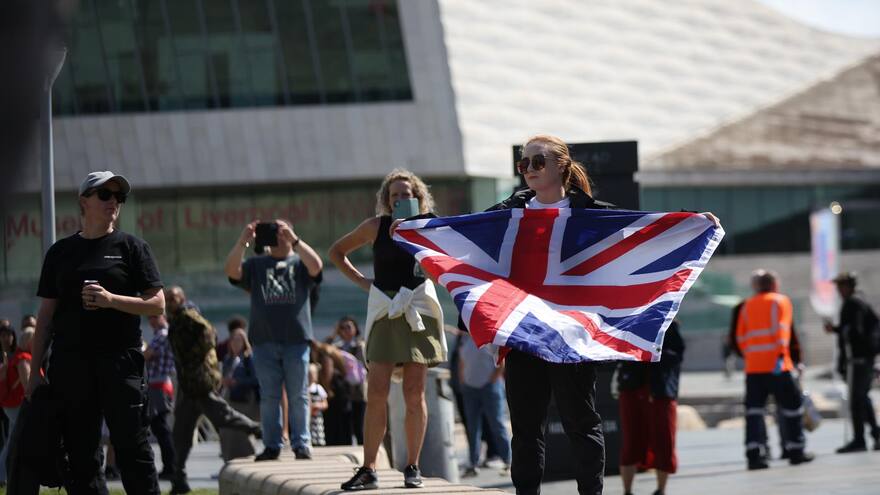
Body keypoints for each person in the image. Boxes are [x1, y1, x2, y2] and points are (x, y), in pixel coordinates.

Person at [26, 171, 165, 494]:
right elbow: (45, 318)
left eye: (118, 197)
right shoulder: (60, 253)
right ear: (83, 202)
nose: (113, 201)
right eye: (104, 195)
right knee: (81, 454)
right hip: (71, 365)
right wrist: (34, 372)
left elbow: (157, 304)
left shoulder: (132, 248)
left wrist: (111, 300)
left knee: (133, 448)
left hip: (120, 363)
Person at [329, 169, 447, 491]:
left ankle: (412, 465)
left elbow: (452, 260)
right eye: (394, 195)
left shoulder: (430, 226)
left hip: (418, 309)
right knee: (377, 388)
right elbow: (336, 252)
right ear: (386, 199)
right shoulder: (375, 226)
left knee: (414, 391)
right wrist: (365, 285)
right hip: (385, 309)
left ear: (417, 197)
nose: (399, 199)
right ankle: (368, 469)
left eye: (405, 194)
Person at [225, 219, 323, 461]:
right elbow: (232, 271)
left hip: (296, 340)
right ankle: (272, 445)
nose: (277, 236)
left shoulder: (299, 263)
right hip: (264, 341)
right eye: (273, 232)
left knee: (299, 394)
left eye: (282, 230)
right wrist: (243, 241)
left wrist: (296, 240)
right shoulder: (256, 264)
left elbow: (317, 267)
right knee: (269, 396)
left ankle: (301, 444)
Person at [165, 286, 262, 494]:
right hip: (188, 385)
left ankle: (257, 429)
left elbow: (209, 334)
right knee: (181, 433)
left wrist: (194, 359)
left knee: (222, 416)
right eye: (167, 298)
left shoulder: (188, 316)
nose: (169, 302)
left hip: (198, 383)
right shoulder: (174, 319)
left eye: (173, 298)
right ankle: (178, 479)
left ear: (181, 299)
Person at [736, 270, 814, 470]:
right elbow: (783, 332)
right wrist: (782, 357)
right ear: (774, 285)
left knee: (754, 412)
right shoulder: (781, 301)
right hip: (778, 365)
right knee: (791, 408)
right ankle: (796, 451)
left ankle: (754, 455)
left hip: (754, 368)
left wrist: (753, 356)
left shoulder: (746, 305)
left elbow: (741, 338)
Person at [617, 321, 685, 495]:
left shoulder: (668, 323)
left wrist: (654, 352)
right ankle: (627, 490)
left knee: (664, 441)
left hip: (660, 389)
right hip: (633, 385)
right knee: (632, 440)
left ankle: (661, 489)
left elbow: (677, 354)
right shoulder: (630, 318)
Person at [824, 272, 880, 452]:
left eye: (841, 286)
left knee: (857, 400)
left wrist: (840, 330)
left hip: (858, 360)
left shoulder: (853, 303)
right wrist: (838, 329)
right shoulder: (858, 302)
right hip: (861, 358)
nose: (839, 290)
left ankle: (859, 439)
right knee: (862, 398)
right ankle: (875, 434)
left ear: (849, 286)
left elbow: (855, 331)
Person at [458, 333, 511, 477]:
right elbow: (462, 360)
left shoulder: (491, 336)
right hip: (470, 388)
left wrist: (493, 379)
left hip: (490, 387)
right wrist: (462, 379)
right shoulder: (465, 338)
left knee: (497, 424)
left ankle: (508, 461)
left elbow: (501, 360)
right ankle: (473, 463)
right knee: (473, 427)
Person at [219, 325, 261, 462]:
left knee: (242, 432)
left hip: (245, 400)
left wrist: (238, 382)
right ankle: (228, 459)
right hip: (229, 398)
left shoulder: (249, 358)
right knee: (227, 431)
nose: (236, 344)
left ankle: (247, 458)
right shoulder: (227, 359)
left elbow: (255, 379)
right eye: (233, 340)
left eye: (239, 340)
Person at [325, 316, 368, 445]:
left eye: (348, 327)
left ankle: (363, 448)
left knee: (360, 424)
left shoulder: (361, 345)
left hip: (359, 391)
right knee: (345, 425)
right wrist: (333, 334)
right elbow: (324, 350)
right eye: (342, 328)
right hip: (343, 393)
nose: (345, 330)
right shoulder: (336, 347)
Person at [144, 313, 177, 480]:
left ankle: (170, 467)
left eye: (155, 317)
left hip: (158, 385)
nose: (151, 320)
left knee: (161, 428)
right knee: (161, 428)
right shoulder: (161, 334)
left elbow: (146, 355)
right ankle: (170, 466)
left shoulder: (162, 335)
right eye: (150, 317)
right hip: (161, 384)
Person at [0, 327, 32, 486]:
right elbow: (27, 384)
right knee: (13, 440)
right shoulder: (23, 358)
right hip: (15, 403)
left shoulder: (17, 356)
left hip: (9, 402)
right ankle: (2, 475)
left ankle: (6, 474)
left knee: (12, 439)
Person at [308, 363, 328, 447]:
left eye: (312, 374)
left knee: (318, 434)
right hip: (308, 417)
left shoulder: (318, 388)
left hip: (317, 417)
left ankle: (319, 446)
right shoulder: (304, 388)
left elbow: (325, 403)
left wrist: (317, 405)